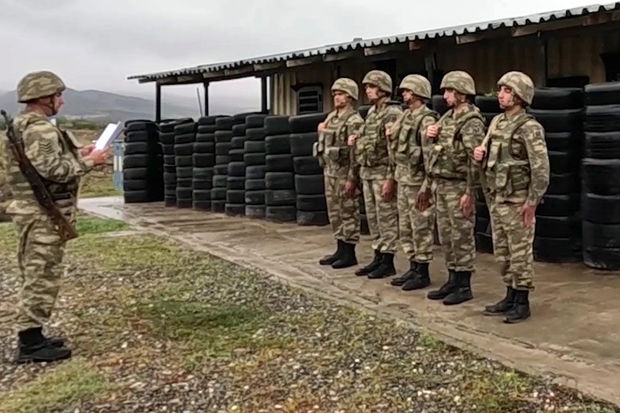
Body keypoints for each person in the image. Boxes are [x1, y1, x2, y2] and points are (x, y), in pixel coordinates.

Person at [2, 71, 108, 363]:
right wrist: (90, 162)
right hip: (42, 214)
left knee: (35, 272)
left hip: (31, 210)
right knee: (42, 274)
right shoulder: (40, 130)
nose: (61, 101)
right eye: (57, 95)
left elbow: (42, 164)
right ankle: (30, 344)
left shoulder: (20, 125)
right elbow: (54, 171)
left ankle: (33, 335)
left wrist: (79, 154)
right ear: (43, 98)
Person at [474, 71, 549, 323]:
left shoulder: (529, 128)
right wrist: (480, 153)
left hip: (518, 202)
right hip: (498, 199)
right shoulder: (497, 122)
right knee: (503, 252)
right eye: (501, 90)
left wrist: (532, 202)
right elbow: (488, 152)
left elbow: (541, 169)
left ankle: (522, 302)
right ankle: (510, 295)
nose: (501, 95)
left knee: (520, 253)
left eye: (507, 91)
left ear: (519, 96)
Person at [418, 71, 485, 305]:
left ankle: (464, 284)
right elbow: (436, 153)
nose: (445, 95)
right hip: (442, 183)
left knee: (461, 235)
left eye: (449, 91)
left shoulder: (471, 122)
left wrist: (470, 192)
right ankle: (453, 278)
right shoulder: (447, 118)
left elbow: (474, 161)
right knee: (446, 235)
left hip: (458, 185)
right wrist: (429, 135)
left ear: (462, 94)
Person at [387, 75, 438, 291]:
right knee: (406, 227)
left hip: (418, 183)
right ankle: (413, 265)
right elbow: (395, 150)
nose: (404, 94)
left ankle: (422, 271)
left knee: (421, 227)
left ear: (418, 93)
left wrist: (427, 186)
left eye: (408, 91)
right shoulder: (404, 117)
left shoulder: (426, 119)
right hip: (403, 179)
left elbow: (429, 157)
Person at [351, 70, 402, 279]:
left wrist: (391, 178)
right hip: (368, 171)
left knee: (386, 217)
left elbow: (393, 149)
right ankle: (378, 256)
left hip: (382, 172)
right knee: (373, 217)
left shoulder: (393, 113)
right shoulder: (372, 112)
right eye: (367, 87)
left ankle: (388, 261)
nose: (368, 91)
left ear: (383, 89)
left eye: (372, 87)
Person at [315, 78, 364, 269]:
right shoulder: (331, 118)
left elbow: (355, 153)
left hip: (345, 173)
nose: (337, 97)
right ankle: (340, 248)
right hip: (330, 172)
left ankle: (349, 252)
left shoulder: (354, 121)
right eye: (335, 94)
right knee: (335, 212)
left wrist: (352, 178)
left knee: (348, 212)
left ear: (350, 96)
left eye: (341, 94)